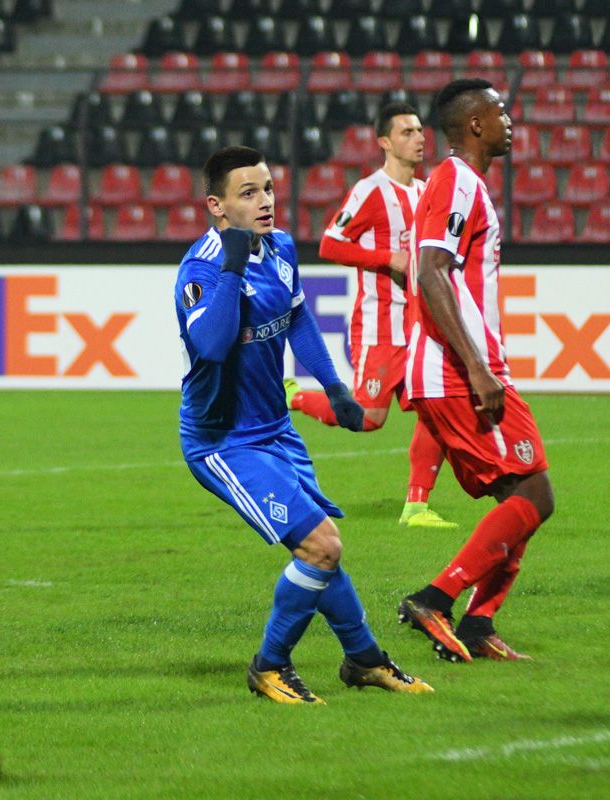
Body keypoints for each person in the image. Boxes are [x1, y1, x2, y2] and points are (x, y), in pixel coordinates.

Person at [174, 145, 433, 703]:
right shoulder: (198, 271)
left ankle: (364, 660)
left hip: (274, 430)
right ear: (217, 206)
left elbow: (297, 319)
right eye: (249, 193)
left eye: (267, 187)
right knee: (320, 546)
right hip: (222, 439)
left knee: (320, 546)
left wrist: (334, 386)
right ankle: (270, 665)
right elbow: (213, 345)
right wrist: (233, 266)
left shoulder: (284, 247)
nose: (265, 201)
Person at [398, 79, 555, 662]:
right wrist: (478, 369)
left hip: (462, 368)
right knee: (534, 494)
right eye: (500, 112)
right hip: (458, 371)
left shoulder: (465, 185)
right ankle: (436, 599)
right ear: (474, 126)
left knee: (524, 497)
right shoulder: (456, 180)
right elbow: (433, 271)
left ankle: (478, 622)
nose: (510, 120)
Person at [287, 102, 456, 530]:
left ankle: (417, 506)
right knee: (367, 419)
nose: (419, 138)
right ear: (384, 141)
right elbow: (330, 245)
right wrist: (389, 259)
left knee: (437, 409)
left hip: (422, 325)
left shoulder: (428, 190)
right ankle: (294, 397)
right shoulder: (370, 191)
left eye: (420, 131)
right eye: (407, 132)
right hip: (381, 324)